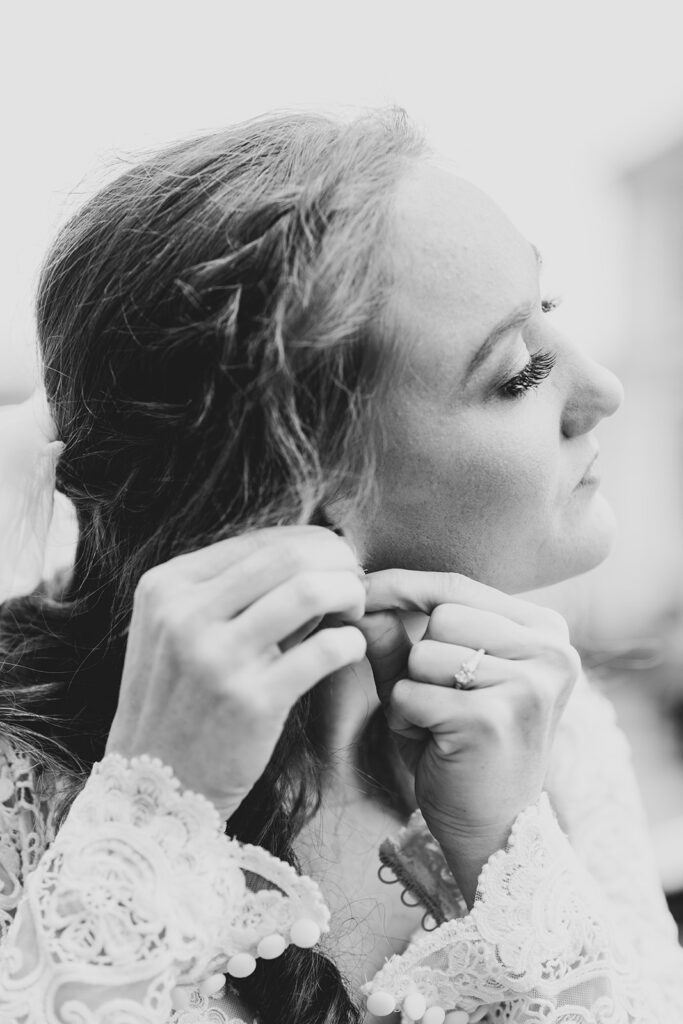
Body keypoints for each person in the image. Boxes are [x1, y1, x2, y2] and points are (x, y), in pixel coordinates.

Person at [0, 108, 681, 1024]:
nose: (603, 390)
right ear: (300, 502)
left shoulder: (549, 726)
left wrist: (510, 858)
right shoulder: (22, 787)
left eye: (547, 312)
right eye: (518, 371)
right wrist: (152, 819)